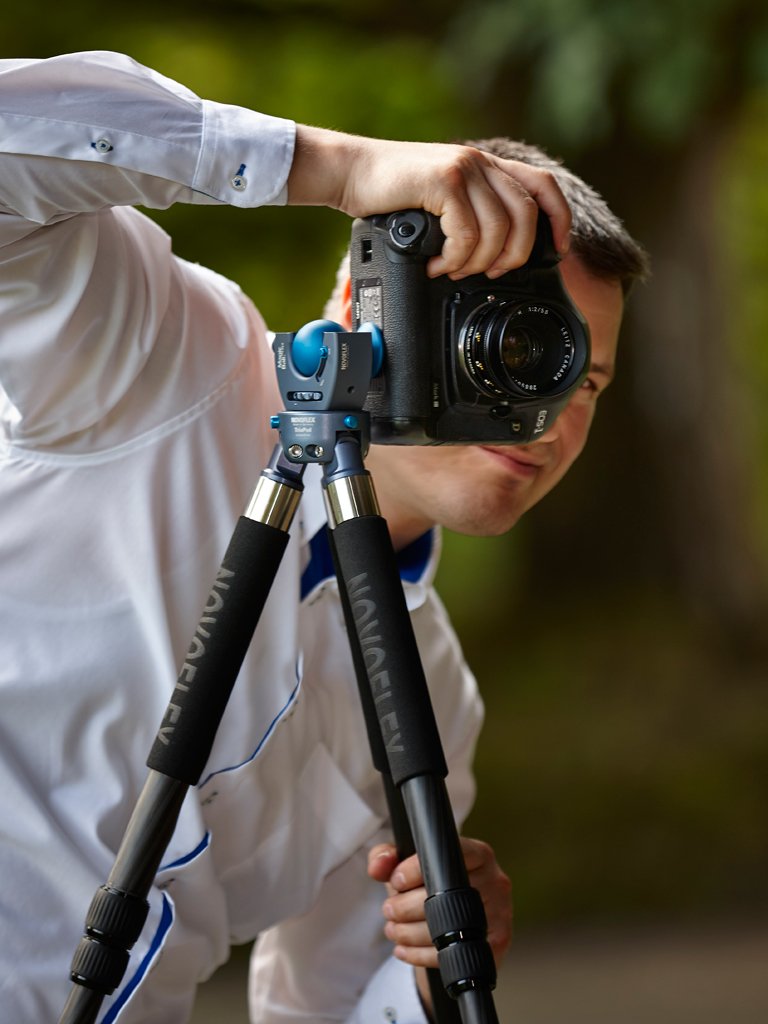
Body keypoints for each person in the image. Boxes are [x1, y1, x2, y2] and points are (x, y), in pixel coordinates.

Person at [0, 51, 647, 1024]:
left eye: (576, 375)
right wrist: (339, 168)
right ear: (360, 307)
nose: (544, 410)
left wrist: (426, 971)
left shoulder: (433, 699)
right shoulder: (155, 356)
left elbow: (319, 1008)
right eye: (508, 342)